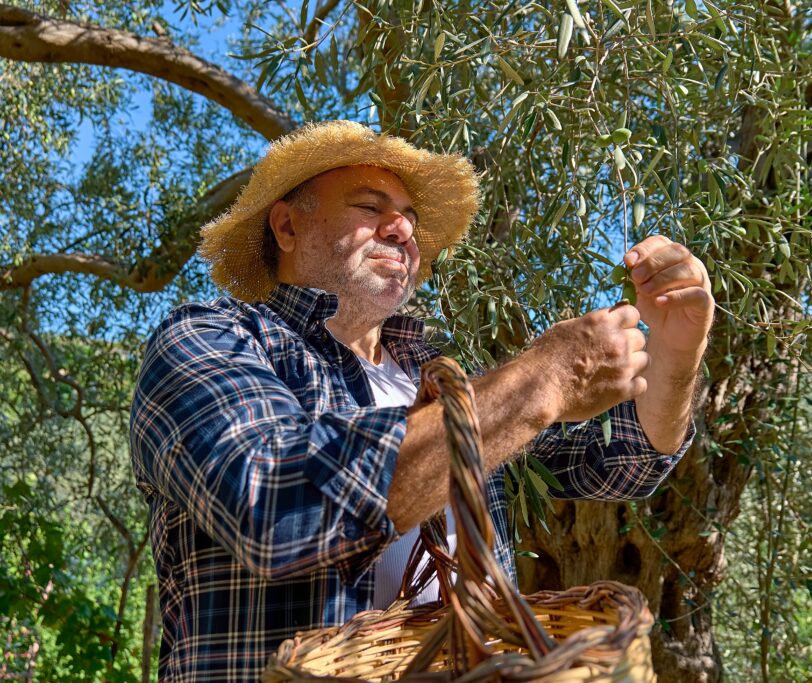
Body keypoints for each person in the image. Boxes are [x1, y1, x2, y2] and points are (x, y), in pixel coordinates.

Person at [129, 120, 714, 682]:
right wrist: (542, 381)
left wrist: (676, 350)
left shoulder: (442, 380)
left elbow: (624, 462)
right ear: (286, 227)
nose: (404, 230)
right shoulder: (213, 339)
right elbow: (274, 508)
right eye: (370, 207)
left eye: (409, 218)